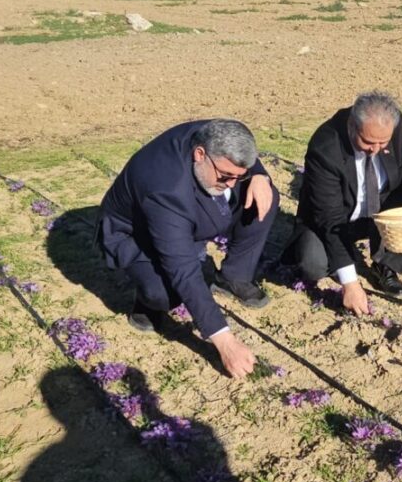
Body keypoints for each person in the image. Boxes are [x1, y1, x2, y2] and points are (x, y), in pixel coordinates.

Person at [97, 119, 278, 379]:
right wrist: (225, 342)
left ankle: (232, 277)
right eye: (225, 177)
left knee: (263, 195)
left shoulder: (215, 134)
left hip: (181, 215)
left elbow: (241, 159)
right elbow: (182, 269)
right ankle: (147, 303)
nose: (231, 184)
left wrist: (258, 175)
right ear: (200, 154)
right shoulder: (165, 189)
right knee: (164, 291)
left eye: (237, 176)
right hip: (138, 234)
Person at [283, 91, 402, 314]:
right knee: (312, 266)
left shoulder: (393, 124)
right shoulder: (326, 148)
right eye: (368, 142)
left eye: (383, 142)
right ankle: (342, 262)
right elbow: (329, 218)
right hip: (340, 215)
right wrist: (351, 284)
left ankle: (385, 266)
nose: (375, 150)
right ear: (353, 126)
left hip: (379, 209)